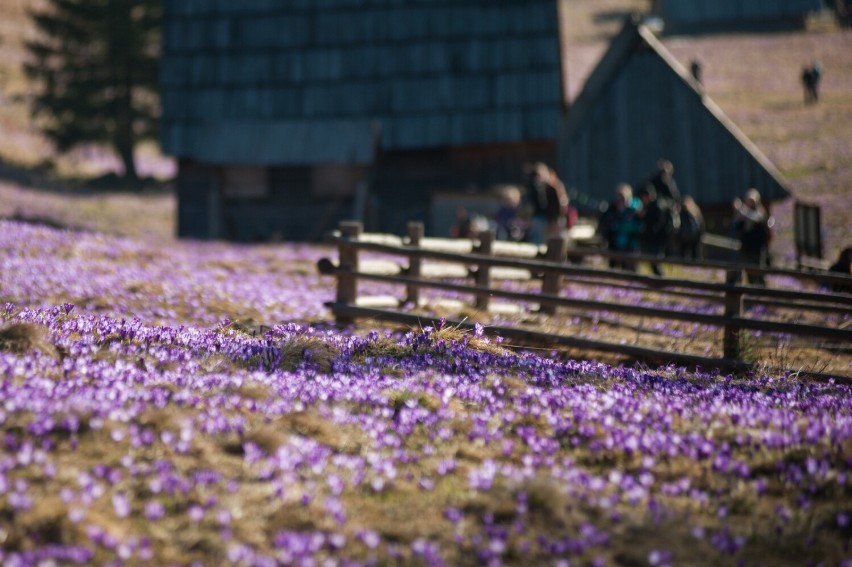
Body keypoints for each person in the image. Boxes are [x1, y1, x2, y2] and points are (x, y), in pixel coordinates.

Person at [731, 188, 771, 286]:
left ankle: (762, 292)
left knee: (759, 271)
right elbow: (736, 226)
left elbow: (756, 219)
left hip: (757, 249)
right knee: (749, 273)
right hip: (746, 248)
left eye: (752, 201)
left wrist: (741, 210)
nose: (750, 203)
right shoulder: (742, 215)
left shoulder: (760, 212)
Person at [598, 183, 641, 271]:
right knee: (613, 268)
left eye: (623, 198)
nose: (621, 201)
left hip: (630, 244)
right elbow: (606, 223)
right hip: (615, 243)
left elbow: (638, 227)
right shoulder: (612, 209)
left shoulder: (635, 210)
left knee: (629, 269)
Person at [524, 162, 568, 244]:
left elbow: (561, 204)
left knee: (557, 240)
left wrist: (555, 219)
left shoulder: (553, 186)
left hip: (555, 219)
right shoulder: (538, 187)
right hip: (546, 218)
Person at [637, 185, 670, 276]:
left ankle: (660, 280)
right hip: (653, 239)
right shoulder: (650, 206)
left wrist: (644, 216)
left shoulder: (657, 206)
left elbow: (656, 225)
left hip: (656, 239)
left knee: (655, 262)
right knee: (652, 262)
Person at [678, 196, 705, 260]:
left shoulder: (683, 212)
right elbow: (701, 225)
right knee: (695, 254)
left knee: (686, 255)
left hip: (686, 237)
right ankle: (696, 268)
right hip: (693, 237)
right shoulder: (695, 211)